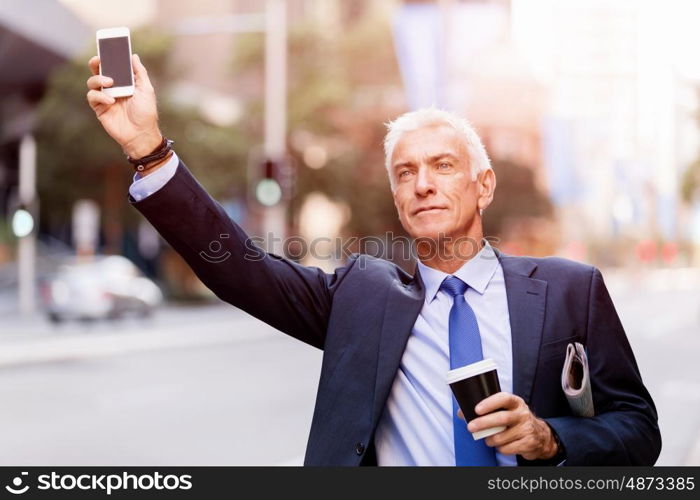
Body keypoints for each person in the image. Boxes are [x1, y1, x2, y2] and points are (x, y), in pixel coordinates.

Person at [86, 54, 661, 466]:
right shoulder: (362, 297)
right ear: (396, 198)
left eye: (442, 166)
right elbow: (238, 266)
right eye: (406, 173)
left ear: (483, 185)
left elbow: (638, 431)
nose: (423, 185)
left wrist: (549, 440)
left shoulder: (570, 289)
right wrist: (148, 150)